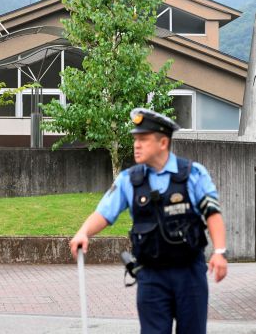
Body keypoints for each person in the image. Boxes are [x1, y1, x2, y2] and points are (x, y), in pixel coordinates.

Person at [69, 108, 228, 334]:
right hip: (151, 275)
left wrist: (220, 251)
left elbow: (212, 213)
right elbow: (104, 213)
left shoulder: (193, 174)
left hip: (189, 274)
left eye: (143, 139)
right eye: (135, 139)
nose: (136, 144)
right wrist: (84, 232)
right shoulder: (129, 180)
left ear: (163, 143)